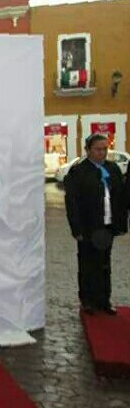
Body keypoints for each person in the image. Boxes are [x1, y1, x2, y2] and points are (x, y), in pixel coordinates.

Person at [64, 133, 127, 315]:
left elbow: (121, 197)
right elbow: (72, 202)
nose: (102, 152)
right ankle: (88, 300)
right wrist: (76, 229)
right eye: (98, 149)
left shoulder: (113, 169)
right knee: (87, 264)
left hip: (107, 225)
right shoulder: (78, 172)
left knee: (105, 263)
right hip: (88, 226)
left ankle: (104, 299)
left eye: (105, 149)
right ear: (88, 150)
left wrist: (120, 223)